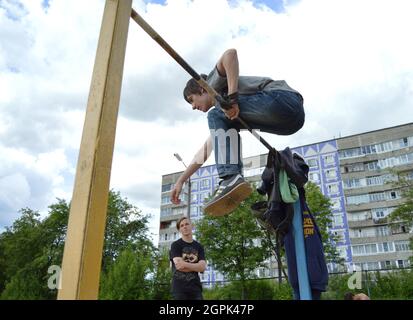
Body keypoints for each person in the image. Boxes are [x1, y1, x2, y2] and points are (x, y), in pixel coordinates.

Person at [170, 48, 305, 216]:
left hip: (281, 99)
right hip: (291, 123)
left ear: (202, 89)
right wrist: (181, 180)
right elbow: (205, 150)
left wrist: (232, 98)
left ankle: (230, 177)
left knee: (217, 111)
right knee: (221, 118)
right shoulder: (223, 119)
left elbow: (230, 54)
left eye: (192, 100)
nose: (193, 106)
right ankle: (232, 178)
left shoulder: (212, 85)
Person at [169, 217, 206, 300]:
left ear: (192, 226)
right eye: (181, 226)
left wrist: (185, 264)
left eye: (187, 224)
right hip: (179, 289)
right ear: (179, 230)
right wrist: (196, 267)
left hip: (196, 289)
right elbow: (180, 267)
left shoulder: (199, 246)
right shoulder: (175, 245)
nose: (184, 227)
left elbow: (203, 267)